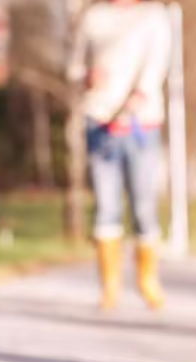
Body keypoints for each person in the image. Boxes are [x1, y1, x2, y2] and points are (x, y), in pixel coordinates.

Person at [68, 0, 172, 310]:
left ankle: (147, 280)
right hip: (99, 121)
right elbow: (73, 66)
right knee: (106, 206)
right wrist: (87, 77)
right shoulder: (94, 17)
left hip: (140, 123)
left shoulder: (154, 16)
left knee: (143, 204)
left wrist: (129, 110)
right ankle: (109, 286)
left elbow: (154, 71)